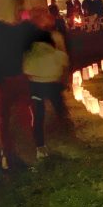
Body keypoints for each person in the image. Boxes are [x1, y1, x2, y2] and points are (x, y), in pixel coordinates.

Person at [0, 20, 42, 170]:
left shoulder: (7, 31)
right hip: (9, 79)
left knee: (3, 119)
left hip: (7, 80)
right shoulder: (10, 31)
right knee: (9, 118)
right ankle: (13, 155)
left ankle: (9, 155)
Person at [23, 28, 70, 160]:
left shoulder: (30, 55)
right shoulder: (57, 55)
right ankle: (66, 134)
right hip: (53, 85)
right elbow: (65, 66)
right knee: (60, 111)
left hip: (35, 86)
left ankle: (40, 147)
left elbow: (25, 70)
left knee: (38, 117)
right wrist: (65, 81)